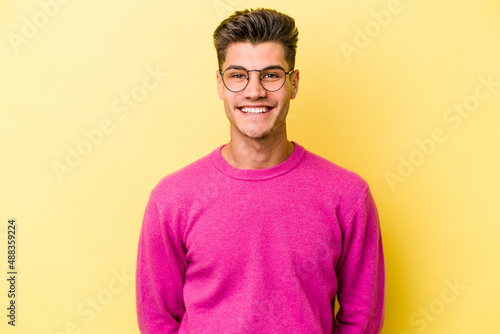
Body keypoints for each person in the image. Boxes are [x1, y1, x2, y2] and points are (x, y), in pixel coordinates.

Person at [136, 8, 384, 334]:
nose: (254, 91)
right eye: (238, 75)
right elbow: (158, 321)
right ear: (220, 84)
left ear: (293, 83)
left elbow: (361, 320)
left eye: (271, 74)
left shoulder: (348, 196)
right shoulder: (171, 200)